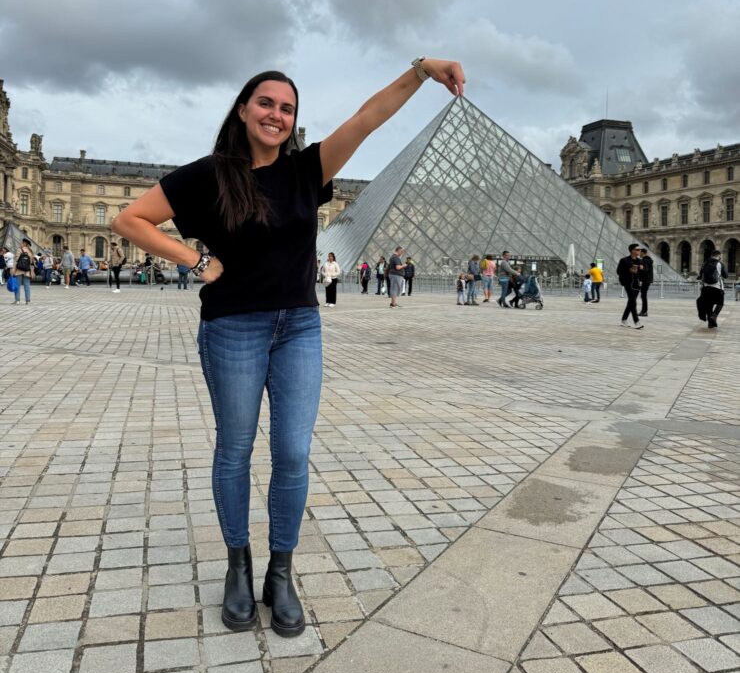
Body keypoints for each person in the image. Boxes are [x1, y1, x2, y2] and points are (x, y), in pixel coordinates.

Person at [111, 58, 465, 637]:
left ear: (294, 120)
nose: (277, 115)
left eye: (287, 108)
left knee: (293, 454)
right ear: (244, 110)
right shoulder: (207, 175)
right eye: (266, 103)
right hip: (234, 327)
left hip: (299, 326)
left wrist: (421, 71)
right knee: (235, 451)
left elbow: (369, 117)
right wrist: (198, 261)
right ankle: (237, 565)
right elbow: (132, 220)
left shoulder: (308, 169)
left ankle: (281, 570)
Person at [696, 249, 727, 329]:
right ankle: (714, 316)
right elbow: (725, 275)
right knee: (720, 303)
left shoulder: (704, 264)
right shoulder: (720, 264)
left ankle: (711, 324)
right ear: (719, 256)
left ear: (711, 255)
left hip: (706, 288)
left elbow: (700, 275)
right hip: (717, 287)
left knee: (709, 305)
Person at [617, 243, 644, 329]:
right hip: (628, 283)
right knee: (633, 301)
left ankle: (624, 319)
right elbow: (618, 271)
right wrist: (629, 271)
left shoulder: (640, 261)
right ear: (632, 250)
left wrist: (642, 269)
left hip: (637, 284)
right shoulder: (624, 260)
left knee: (631, 302)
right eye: (637, 249)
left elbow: (645, 272)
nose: (639, 251)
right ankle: (637, 321)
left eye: (640, 250)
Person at [12, 238, 35, 305]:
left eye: (21, 243)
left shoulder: (19, 250)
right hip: (27, 271)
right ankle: (27, 301)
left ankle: (17, 300)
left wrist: (13, 270)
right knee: (27, 286)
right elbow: (31, 263)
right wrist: (32, 272)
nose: (20, 244)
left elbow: (16, 260)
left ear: (25, 243)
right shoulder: (30, 251)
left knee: (17, 285)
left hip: (19, 270)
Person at [638, 247, 654, 317]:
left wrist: (642, 268)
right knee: (643, 295)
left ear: (643, 253)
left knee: (643, 296)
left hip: (645, 280)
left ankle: (644, 311)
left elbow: (646, 270)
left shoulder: (645, 260)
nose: (639, 254)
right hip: (647, 280)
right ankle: (644, 311)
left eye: (640, 252)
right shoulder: (647, 260)